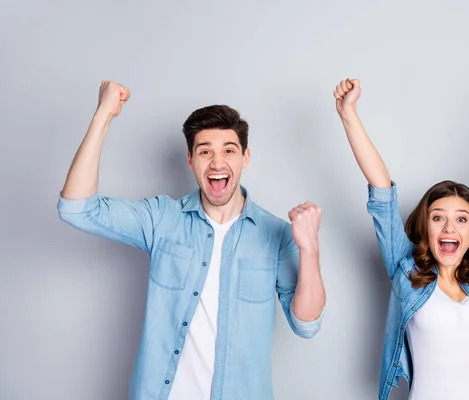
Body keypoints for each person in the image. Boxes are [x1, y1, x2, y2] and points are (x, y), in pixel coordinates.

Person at [57, 81, 326, 400]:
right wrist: (104, 114)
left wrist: (309, 250)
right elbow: (77, 209)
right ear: (190, 161)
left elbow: (306, 324)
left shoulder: (276, 234)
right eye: (205, 151)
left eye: (228, 150)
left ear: (245, 157)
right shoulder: (161, 218)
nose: (216, 162)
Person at [333, 64, 469, 400]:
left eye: (462, 219)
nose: (450, 227)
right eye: (438, 218)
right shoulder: (406, 270)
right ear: (425, 225)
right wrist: (348, 114)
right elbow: (381, 192)